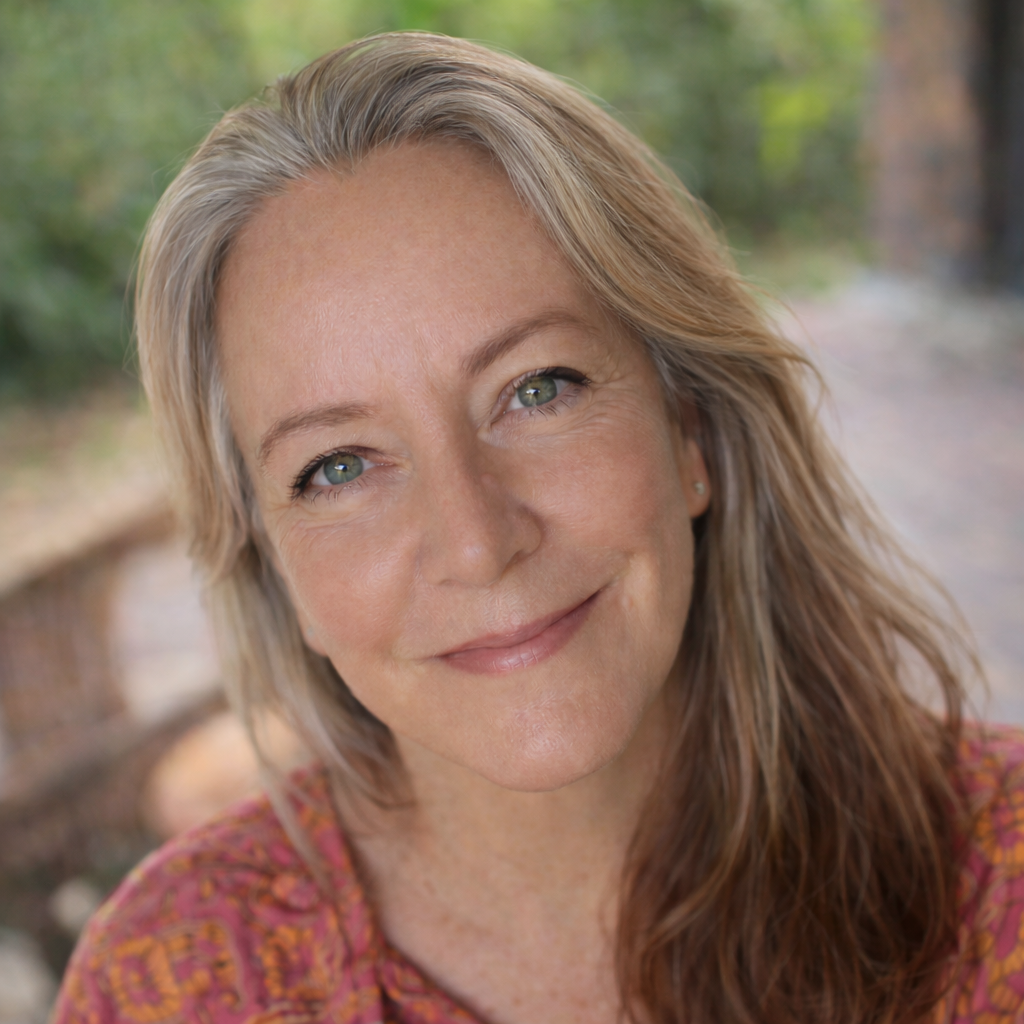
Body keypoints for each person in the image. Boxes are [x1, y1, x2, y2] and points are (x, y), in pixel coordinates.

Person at [53, 32, 1024, 1024]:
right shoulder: (168, 983)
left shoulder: (1005, 882)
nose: (478, 543)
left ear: (687, 426)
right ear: (275, 562)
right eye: (337, 466)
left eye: (536, 389)